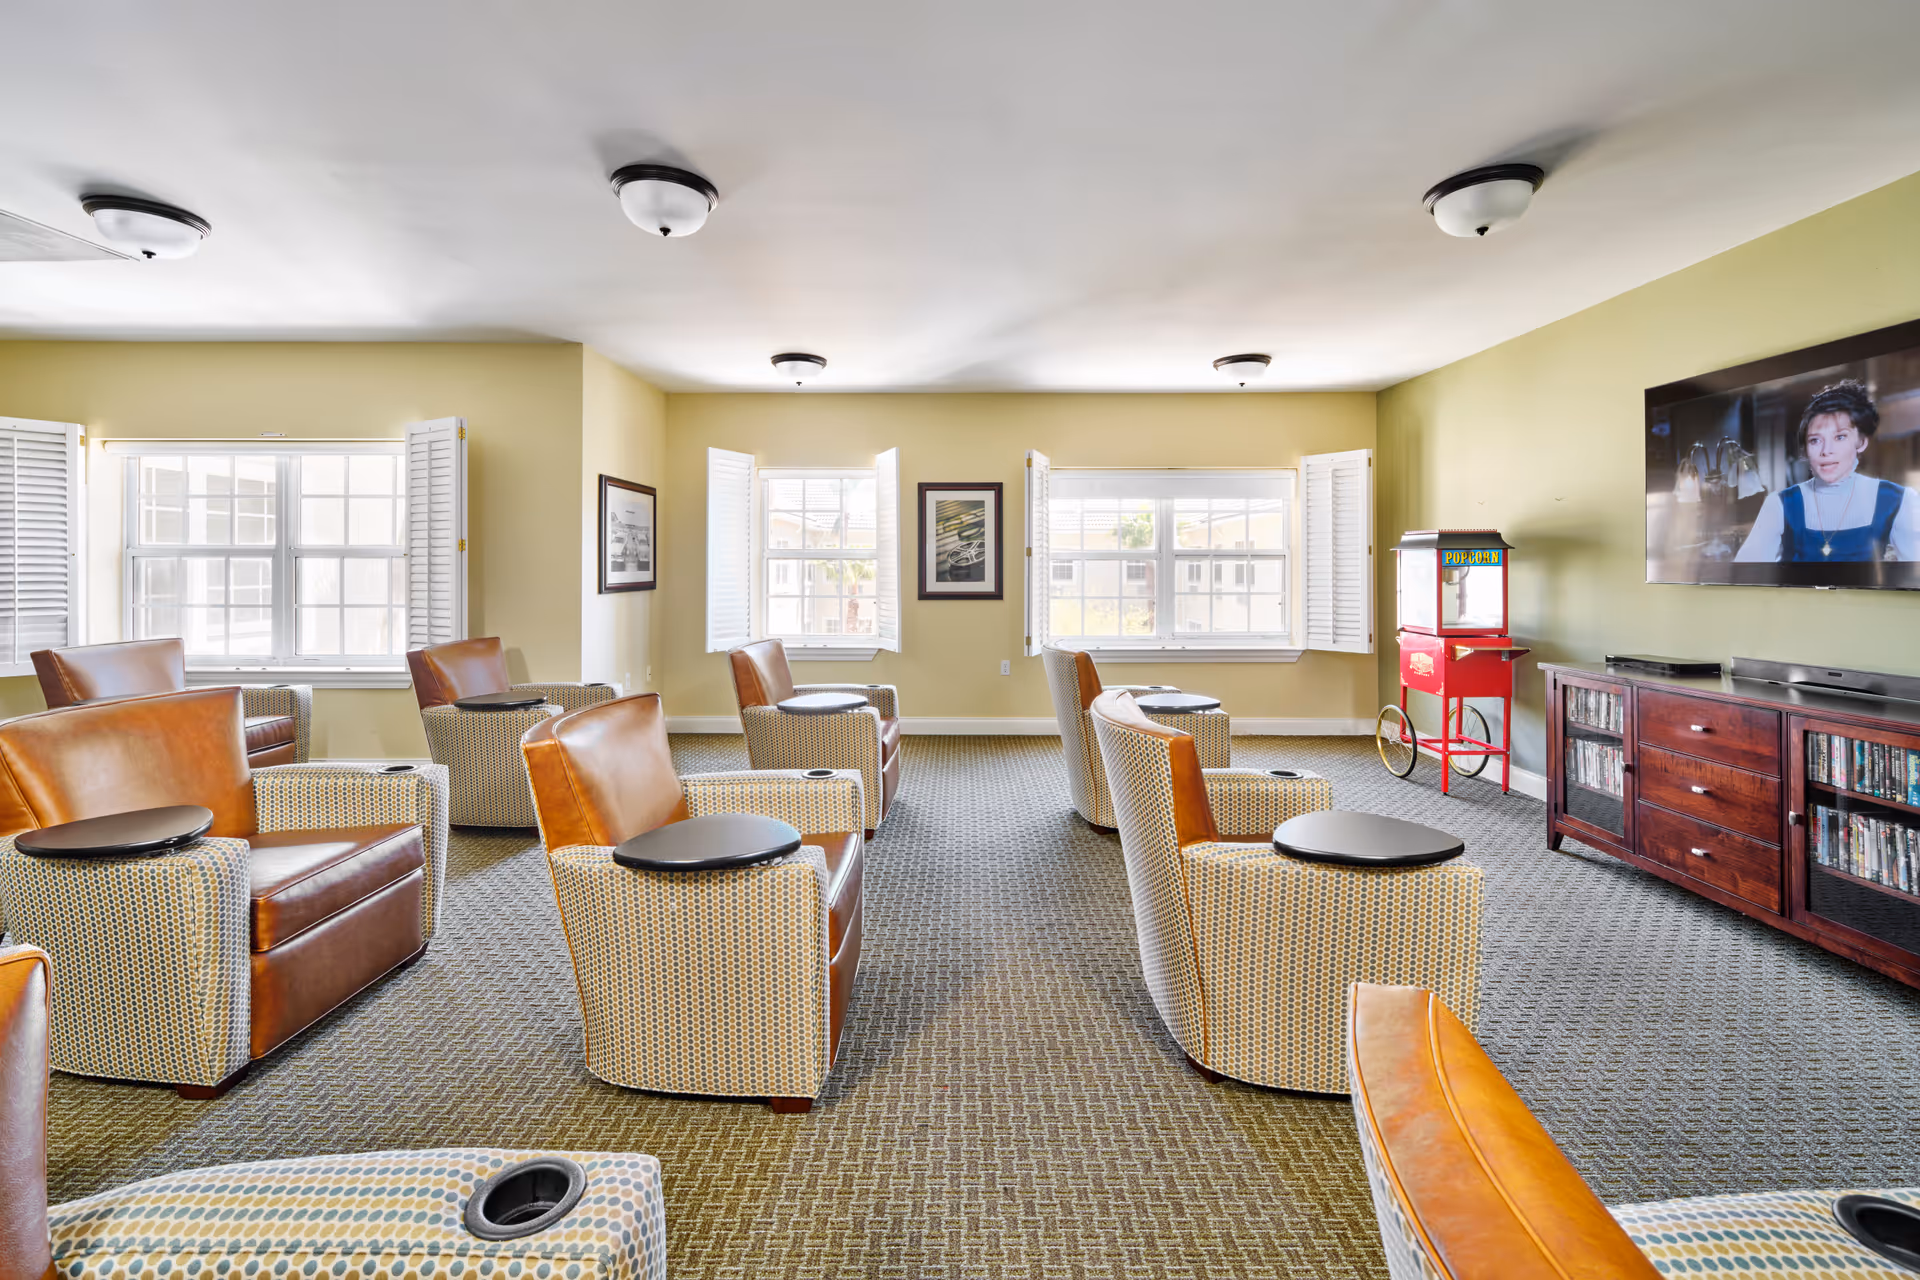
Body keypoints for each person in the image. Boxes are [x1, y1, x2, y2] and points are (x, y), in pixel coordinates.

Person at [1735, 379, 1920, 562]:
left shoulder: (1898, 500)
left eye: (1840, 437)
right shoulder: (1779, 504)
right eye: (1815, 440)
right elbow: (1745, 576)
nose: (1826, 451)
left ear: (1861, 442)